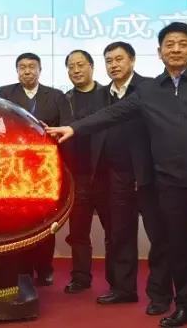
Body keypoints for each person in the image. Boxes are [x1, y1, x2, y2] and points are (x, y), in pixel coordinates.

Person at [47, 22, 187, 328]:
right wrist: (73, 128)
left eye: (182, 44)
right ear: (159, 52)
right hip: (170, 184)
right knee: (180, 250)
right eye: (169, 45)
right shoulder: (149, 90)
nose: (175, 49)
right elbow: (111, 114)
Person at [91, 42, 173, 315]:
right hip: (116, 176)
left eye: (119, 59)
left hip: (149, 176)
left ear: (132, 60)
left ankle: (160, 295)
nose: (113, 65)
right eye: (108, 61)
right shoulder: (101, 95)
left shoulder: (149, 88)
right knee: (120, 235)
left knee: (159, 237)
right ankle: (123, 289)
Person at [0, 52, 68, 286]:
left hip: (45, 168)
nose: (27, 71)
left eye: (31, 67)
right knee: (18, 220)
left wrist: (50, 133)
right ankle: (22, 268)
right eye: (22, 67)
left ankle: (45, 268)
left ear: (40, 70)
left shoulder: (56, 96)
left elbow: (65, 127)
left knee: (45, 219)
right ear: (17, 71)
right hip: (14, 167)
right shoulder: (6, 93)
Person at [61, 50, 112, 295]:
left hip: (105, 175)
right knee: (78, 232)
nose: (76, 70)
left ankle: (117, 281)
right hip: (77, 176)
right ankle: (80, 277)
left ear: (92, 66)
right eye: (71, 66)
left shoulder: (107, 95)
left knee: (113, 231)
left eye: (80, 65)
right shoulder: (64, 99)